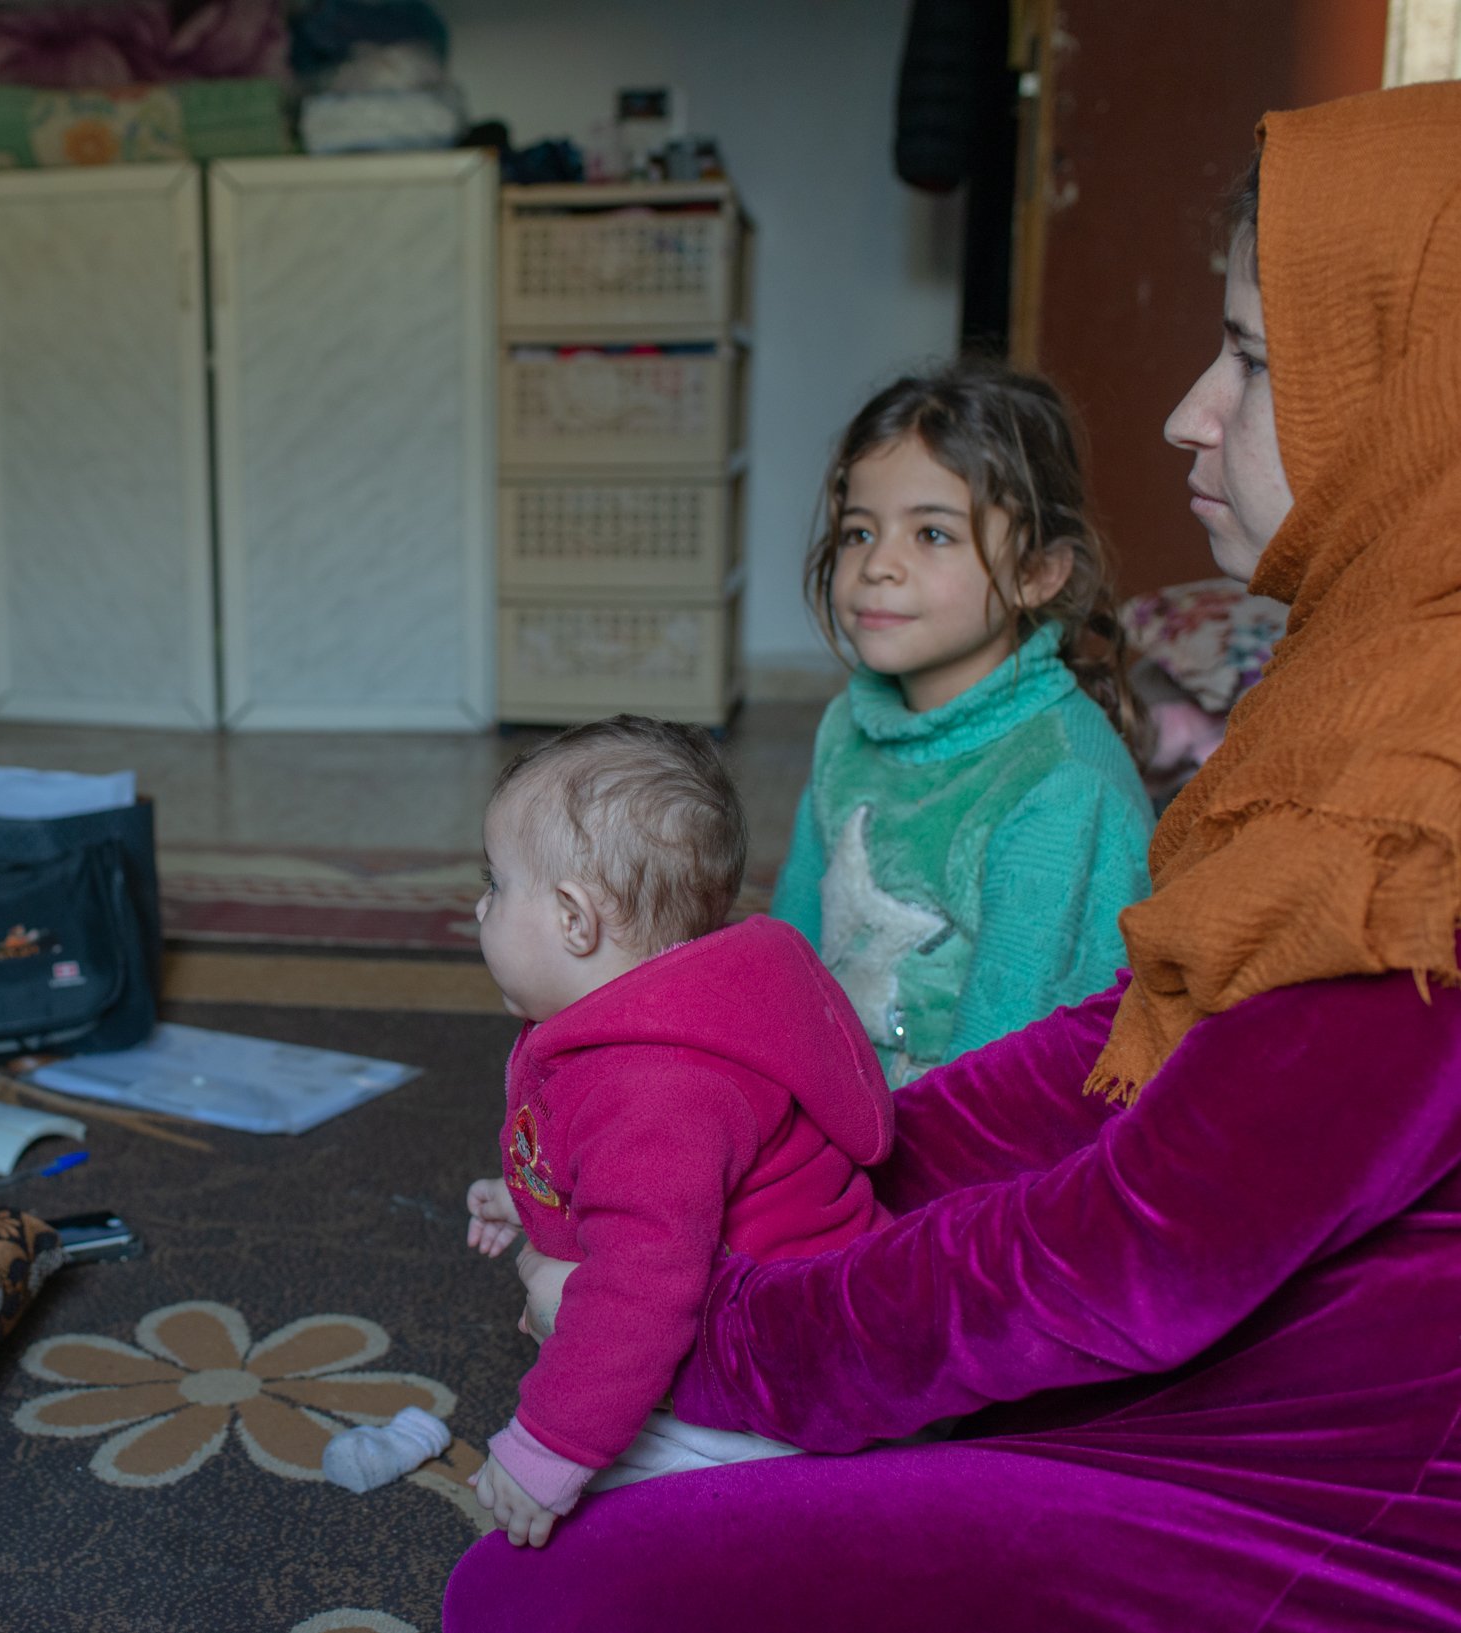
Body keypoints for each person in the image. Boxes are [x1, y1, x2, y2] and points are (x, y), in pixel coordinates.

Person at [445, 81, 1461, 1630]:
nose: (1188, 409)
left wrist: (698, 1326)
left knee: (532, 1597)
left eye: (1248, 357)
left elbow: (1142, 1246)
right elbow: (1128, 1044)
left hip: (1336, 1472)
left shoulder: (1417, 810)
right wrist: (736, 1179)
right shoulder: (1370, 682)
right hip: (1232, 1324)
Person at [460, 716, 893, 1546]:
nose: (479, 904)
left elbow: (642, 1291)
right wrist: (532, 1200)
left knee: (584, 1519)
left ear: (574, 921)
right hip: (752, 1319)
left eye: (496, 883)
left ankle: (794, 1516)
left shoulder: (658, 1087)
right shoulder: (635, 1024)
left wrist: (545, 1449)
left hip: (784, 1382)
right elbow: (626, 1181)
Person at [771, 363, 1152, 1086]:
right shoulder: (843, 728)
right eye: (858, 531)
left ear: (1037, 573)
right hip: (830, 1113)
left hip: (965, 1154)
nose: (878, 564)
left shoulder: (1062, 784)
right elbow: (786, 955)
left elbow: (1008, 1077)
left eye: (932, 535)